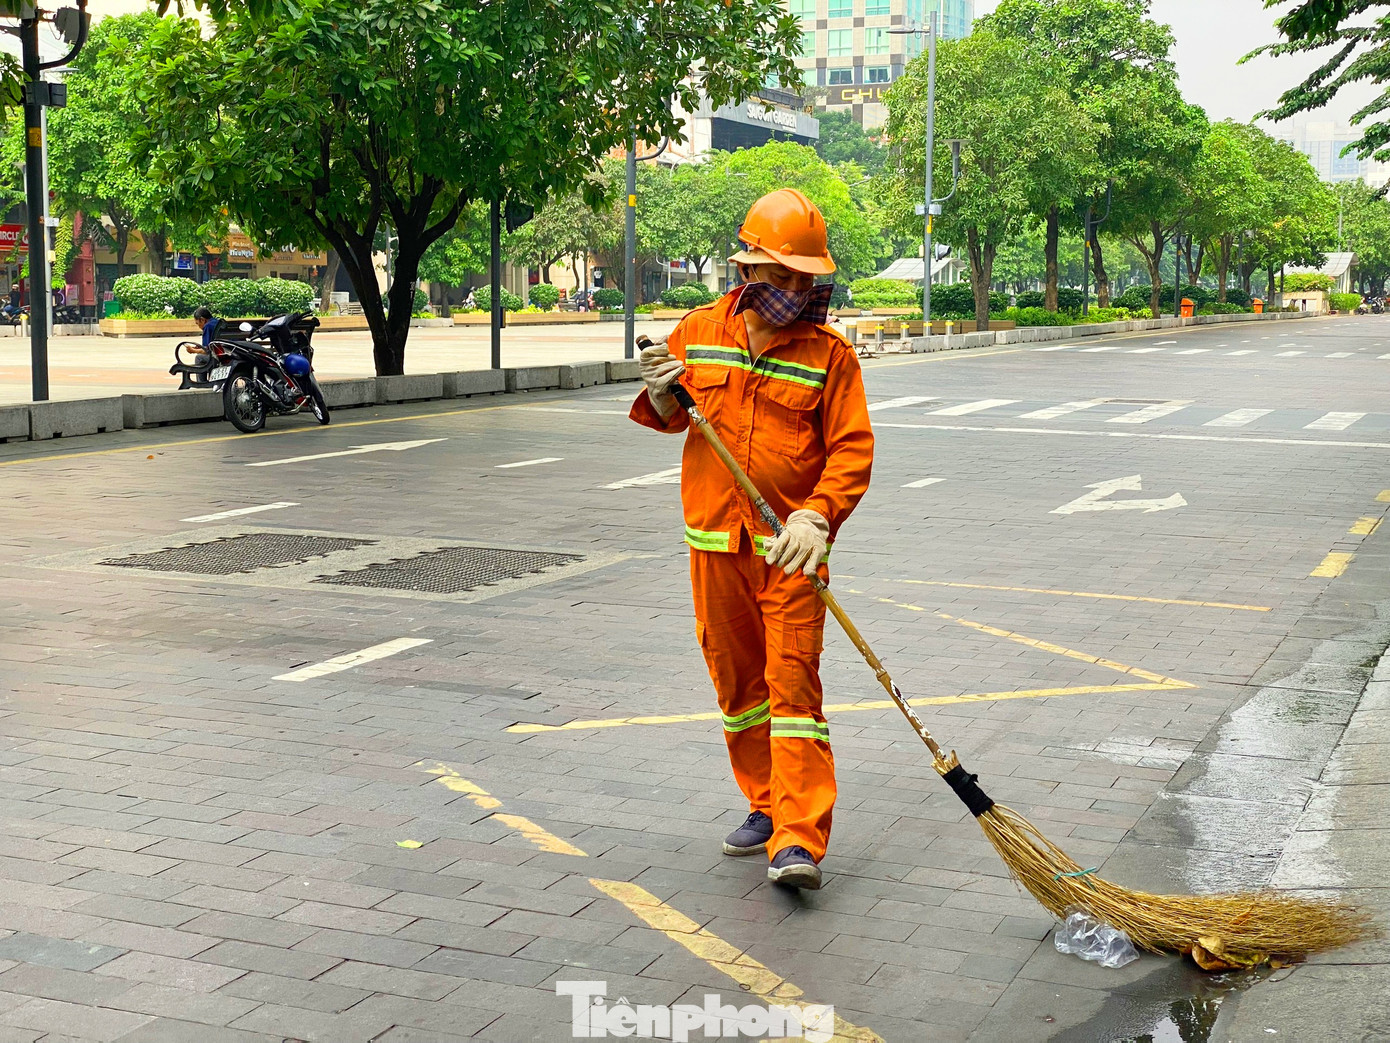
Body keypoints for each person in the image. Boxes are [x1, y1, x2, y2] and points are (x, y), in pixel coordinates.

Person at [630, 188, 874, 890]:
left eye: (806, 278)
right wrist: (663, 390)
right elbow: (673, 416)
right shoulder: (698, 331)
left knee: (793, 689)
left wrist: (816, 516)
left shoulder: (831, 355)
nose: (797, 290)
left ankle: (799, 840)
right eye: (783, 276)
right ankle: (764, 803)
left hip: (788, 550)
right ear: (749, 270)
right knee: (739, 688)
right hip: (713, 541)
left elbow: (852, 451)